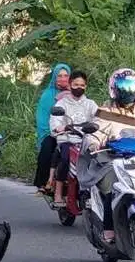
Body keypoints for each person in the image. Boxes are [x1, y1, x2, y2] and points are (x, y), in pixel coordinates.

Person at [83, 68, 135, 243]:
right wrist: (93, 142)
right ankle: (108, 229)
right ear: (114, 89)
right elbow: (94, 132)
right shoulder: (104, 111)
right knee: (110, 188)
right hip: (112, 158)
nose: (128, 91)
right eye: (123, 87)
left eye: (131, 87)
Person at [49, 71, 97, 207]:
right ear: (70, 85)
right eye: (76, 84)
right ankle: (58, 193)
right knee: (65, 159)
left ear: (86, 86)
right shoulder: (62, 104)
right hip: (67, 140)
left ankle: (94, 193)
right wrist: (61, 127)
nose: (79, 87)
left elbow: (99, 118)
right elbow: (55, 123)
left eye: (82, 85)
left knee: (98, 159)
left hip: (86, 141)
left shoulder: (90, 104)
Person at [34, 63, 70, 191]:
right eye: (59, 76)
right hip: (51, 131)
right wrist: (53, 132)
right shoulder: (48, 95)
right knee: (48, 146)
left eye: (66, 75)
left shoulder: (75, 93)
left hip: (72, 131)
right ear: (55, 77)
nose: (63, 78)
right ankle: (44, 182)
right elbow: (42, 119)